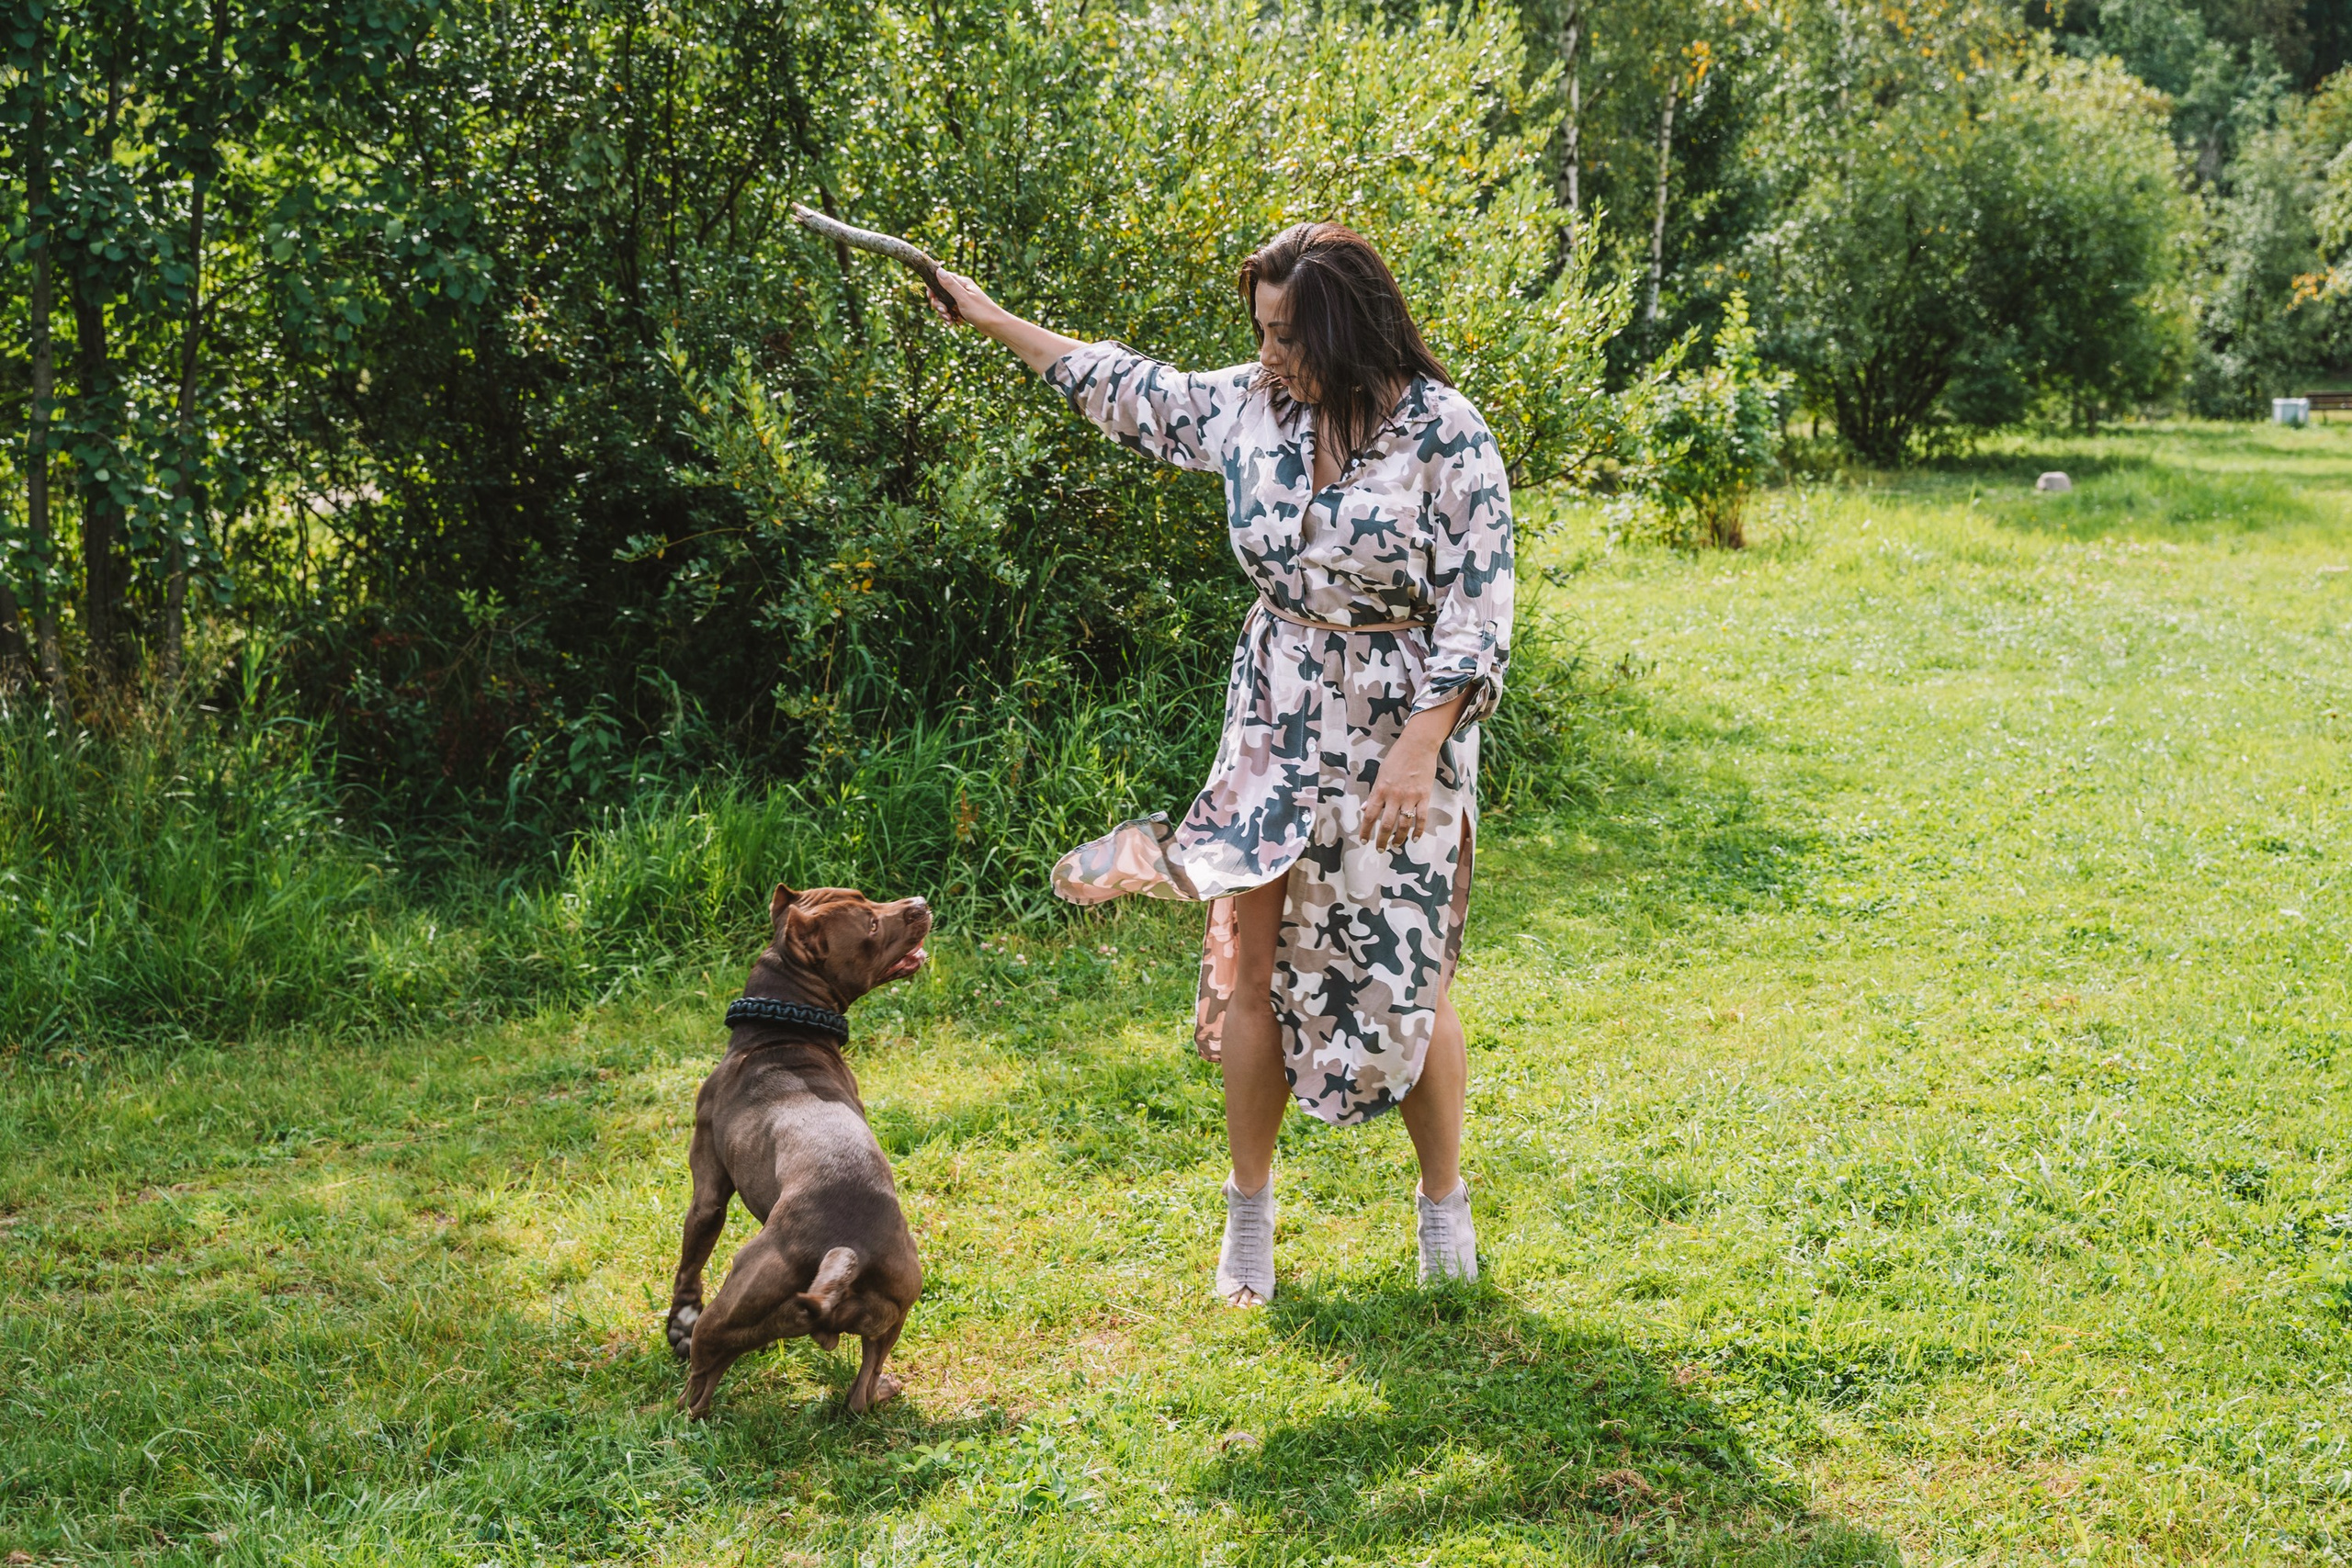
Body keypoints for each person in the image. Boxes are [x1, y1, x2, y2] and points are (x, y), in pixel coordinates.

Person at [930, 222, 1513, 1305]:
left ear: (1349, 328)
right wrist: (991, 315)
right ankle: (1248, 1214)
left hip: (1401, 732)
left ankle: (1443, 1205)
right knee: (1255, 965)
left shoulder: (1447, 433)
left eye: (1289, 335)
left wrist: (1420, 747)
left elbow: (1478, 614)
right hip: (1274, 721)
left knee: (1409, 980)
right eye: (1261, 332)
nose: (1270, 356)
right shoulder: (1252, 405)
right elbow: (1128, 387)